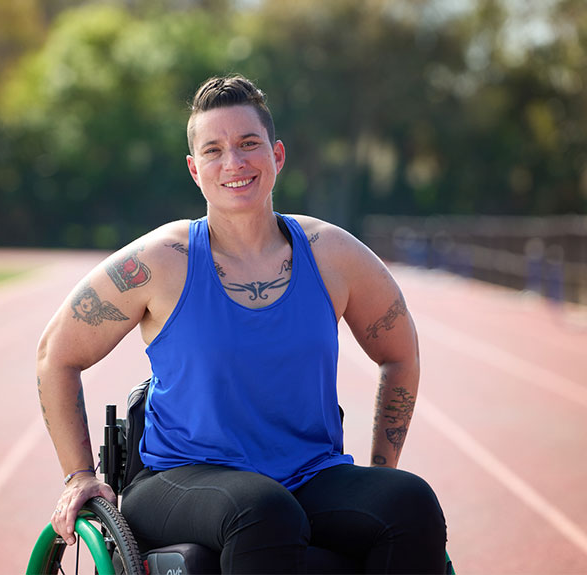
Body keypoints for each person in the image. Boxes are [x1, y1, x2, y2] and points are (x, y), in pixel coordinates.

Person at [38, 74, 447, 574]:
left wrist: (380, 471)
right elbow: (56, 354)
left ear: (276, 155)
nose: (233, 162)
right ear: (194, 169)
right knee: (262, 510)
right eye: (214, 150)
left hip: (307, 475)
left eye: (248, 144)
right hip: (178, 479)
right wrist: (79, 475)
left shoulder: (333, 254)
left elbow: (400, 352)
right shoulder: (162, 260)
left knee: (409, 503)